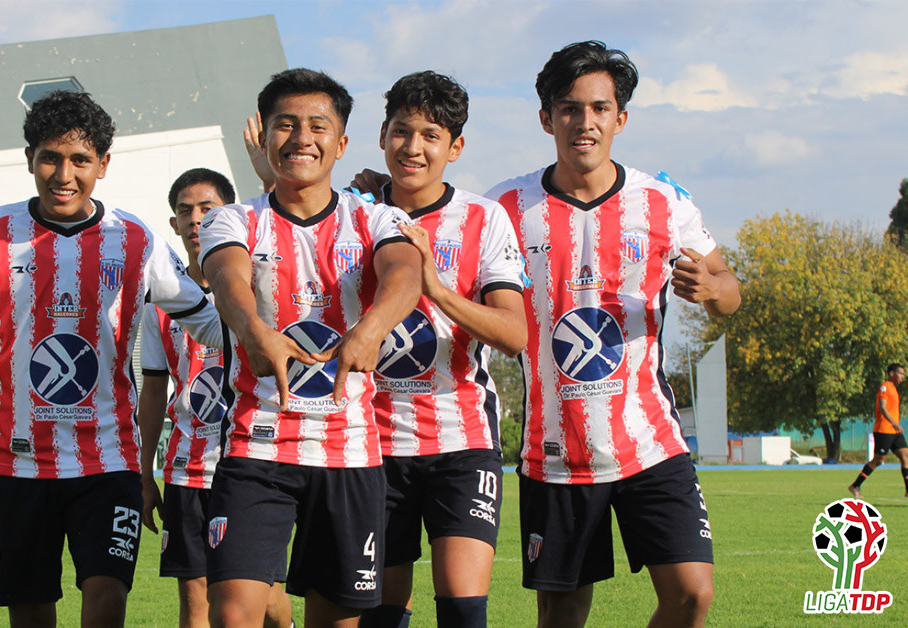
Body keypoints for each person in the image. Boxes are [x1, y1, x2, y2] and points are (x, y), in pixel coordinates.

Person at [0, 90, 221, 628]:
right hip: (18, 461)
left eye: (80, 160)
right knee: (30, 613)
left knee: (107, 598)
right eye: (49, 158)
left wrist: (260, 311)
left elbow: (210, 324)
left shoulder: (135, 239)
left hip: (109, 461)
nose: (64, 174)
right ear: (28, 158)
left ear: (103, 164)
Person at [485, 41, 741, 628]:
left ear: (620, 118)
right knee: (562, 614)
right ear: (546, 118)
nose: (586, 122)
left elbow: (730, 289)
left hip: (651, 441)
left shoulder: (663, 202)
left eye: (600, 108)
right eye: (569, 109)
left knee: (692, 594)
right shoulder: (506, 206)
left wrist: (712, 287)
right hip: (556, 451)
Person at [198, 68, 423, 628]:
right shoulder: (232, 219)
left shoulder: (377, 218)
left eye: (318, 126)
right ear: (264, 135)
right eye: (286, 124)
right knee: (233, 615)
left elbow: (405, 274)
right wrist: (253, 329)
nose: (301, 138)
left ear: (341, 144)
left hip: (349, 453)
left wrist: (371, 329)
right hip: (257, 447)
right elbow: (228, 278)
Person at [349, 71, 527, 628]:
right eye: (402, 131)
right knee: (380, 615)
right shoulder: (353, 213)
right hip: (369, 443)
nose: (413, 147)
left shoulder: (483, 218)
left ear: (456, 147)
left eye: (431, 135)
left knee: (463, 611)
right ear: (382, 136)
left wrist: (437, 289)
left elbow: (515, 334)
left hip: (461, 441)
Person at [137, 167, 294, 628]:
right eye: (185, 211)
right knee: (196, 600)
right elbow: (154, 391)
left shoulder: (257, 290)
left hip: (251, 461)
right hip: (187, 470)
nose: (195, 219)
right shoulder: (160, 303)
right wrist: (144, 472)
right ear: (174, 224)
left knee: (267, 602)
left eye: (207, 209)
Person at [848, 363, 908, 498]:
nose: (903, 377)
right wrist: (894, 423)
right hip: (884, 430)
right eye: (900, 374)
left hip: (894, 431)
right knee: (879, 460)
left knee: (906, 456)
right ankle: (855, 485)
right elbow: (882, 407)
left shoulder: (894, 389)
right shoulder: (884, 387)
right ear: (892, 373)